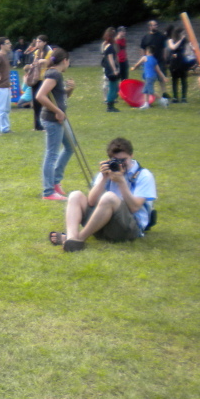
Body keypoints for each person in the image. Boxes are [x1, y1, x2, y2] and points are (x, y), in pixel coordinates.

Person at [49, 137, 156, 252]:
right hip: (104, 224)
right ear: (110, 159)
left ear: (131, 155)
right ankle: (71, 238)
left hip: (129, 228)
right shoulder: (109, 169)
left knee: (109, 197)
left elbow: (134, 207)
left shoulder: (143, 175)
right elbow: (91, 202)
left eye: (123, 160)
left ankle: (78, 239)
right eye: (116, 160)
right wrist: (104, 178)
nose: (120, 164)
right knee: (75, 195)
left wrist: (122, 182)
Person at [35, 48, 75, 201]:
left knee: (71, 146)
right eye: (68, 61)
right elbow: (40, 96)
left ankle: (55, 181)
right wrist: (58, 111)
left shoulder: (56, 74)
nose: (68, 64)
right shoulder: (54, 74)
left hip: (59, 118)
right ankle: (48, 191)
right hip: (52, 119)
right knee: (52, 154)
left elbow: (60, 98)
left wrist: (70, 90)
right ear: (65, 60)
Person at [26, 35, 52, 131]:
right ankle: (37, 125)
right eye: (37, 41)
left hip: (45, 79)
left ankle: (44, 124)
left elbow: (52, 62)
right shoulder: (36, 52)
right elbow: (34, 63)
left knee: (43, 101)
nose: (37, 43)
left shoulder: (49, 52)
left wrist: (44, 61)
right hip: (36, 79)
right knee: (35, 102)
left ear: (45, 43)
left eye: (40, 41)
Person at [167, 27, 191, 104]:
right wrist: (180, 40)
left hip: (182, 62)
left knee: (184, 80)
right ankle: (175, 97)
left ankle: (184, 98)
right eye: (182, 33)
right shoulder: (171, 40)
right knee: (175, 80)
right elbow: (173, 47)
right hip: (174, 63)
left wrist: (187, 51)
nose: (184, 35)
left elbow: (188, 51)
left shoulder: (185, 41)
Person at [102, 27, 120, 112]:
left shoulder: (106, 46)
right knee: (113, 88)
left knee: (113, 87)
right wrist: (115, 70)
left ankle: (111, 104)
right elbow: (111, 59)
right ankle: (110, 106)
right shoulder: (110, 47)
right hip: (111, 70)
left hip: (108, 69)